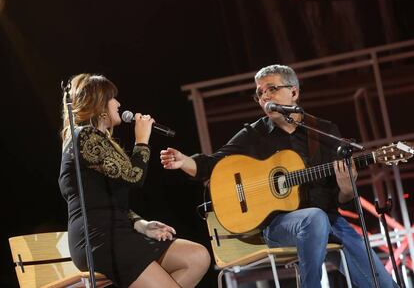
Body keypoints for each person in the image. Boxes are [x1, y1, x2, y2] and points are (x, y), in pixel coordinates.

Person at [160, 65, 398, 288]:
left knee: (383, 284)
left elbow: (342, 199)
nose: (264, 97)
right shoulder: (254, 134)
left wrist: (347, 186)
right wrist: (185, 161)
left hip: (330, 220)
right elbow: (214, 165)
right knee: (314, 218)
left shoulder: (323, 132)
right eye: (259, 93)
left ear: (293, 92)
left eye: (272, 89)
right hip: (277, 227)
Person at [59, 74, 210, 288]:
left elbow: (110, 198)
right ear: (99, 102)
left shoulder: (98, 140)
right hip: (98, 239)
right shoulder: (84, 136)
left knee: (196, 257)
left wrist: (141, 224)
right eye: (113, 98)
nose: (118, 103)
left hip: (119, 233)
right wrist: (142, 139)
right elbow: (134, 176)